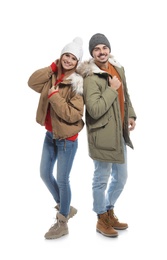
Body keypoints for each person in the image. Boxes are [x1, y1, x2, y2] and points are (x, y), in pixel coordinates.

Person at [78, 33, 136, 237]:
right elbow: (94, 109)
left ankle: (109, 210)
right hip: (101, 135)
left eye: (104, 48)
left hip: (119, 131)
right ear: (92, 53)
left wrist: (131, 115)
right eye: (97, 49)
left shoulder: (118, 69)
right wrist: (111, 89)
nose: (102, 52)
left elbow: (125, 94)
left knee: (121, 177)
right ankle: (101, 218)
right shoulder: (90, 77)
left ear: (108, 49)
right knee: (101, 179)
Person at [27, 37, 84, 239]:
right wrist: (52, 67)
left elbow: (74, 114)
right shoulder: (52, 75)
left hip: (67, 139)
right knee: (44, 173)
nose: (68, 60)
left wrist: (55, 97)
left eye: (73, 58)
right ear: (60, 57)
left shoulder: (78, 83)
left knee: (62, 180)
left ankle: (62, 223)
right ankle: (66, 207)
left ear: (78, 63)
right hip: (50, 135)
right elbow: (32, 82)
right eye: (66, 56)